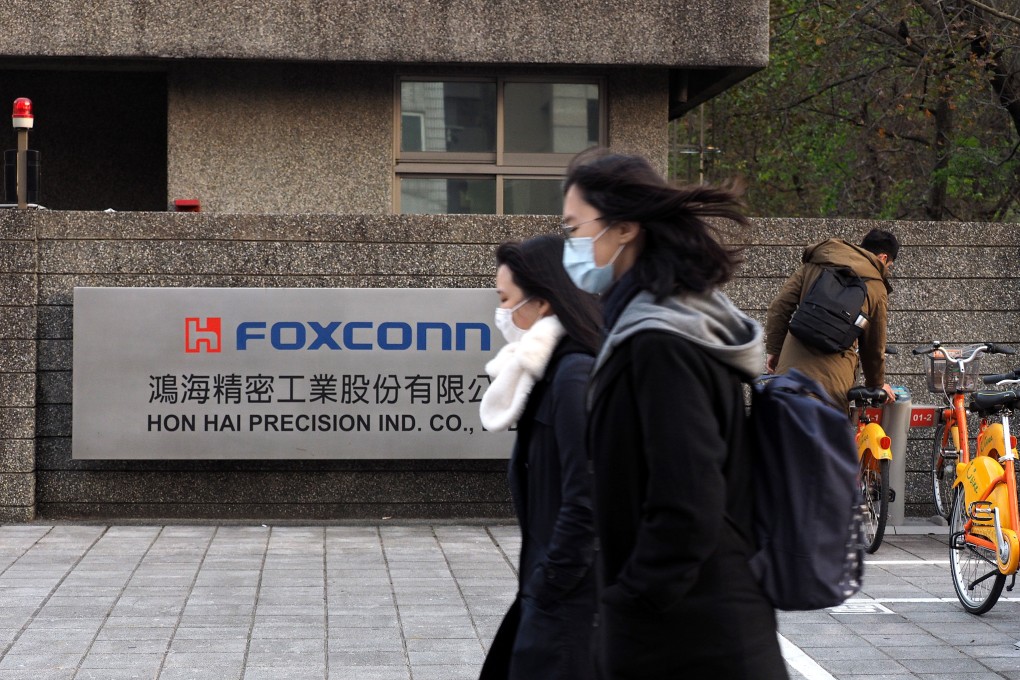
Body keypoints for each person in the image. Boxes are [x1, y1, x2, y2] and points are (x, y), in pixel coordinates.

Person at [560, 149, 788, 679]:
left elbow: (687, 501)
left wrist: (631, 602)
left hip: (692, 637)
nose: (567, 242)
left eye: (574, 226)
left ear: (623, 229)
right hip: (693, 620)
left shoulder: (659, 341)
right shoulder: (668, 320)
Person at [478, 235, 601, 680]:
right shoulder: (550, 371)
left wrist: (550, 583)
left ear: (543, 302)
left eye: (506, 299)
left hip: (570, 600)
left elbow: (587, 495)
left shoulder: (574, 375)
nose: (501, 313)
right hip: (551, 590)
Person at [765, 229, 899, 412]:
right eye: (889, 266)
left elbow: (779, 308)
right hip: (831, 387)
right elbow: (873, 345)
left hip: (789, 376)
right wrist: (876, 384)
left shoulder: (815, 264)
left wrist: (774, 350)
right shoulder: (876, 286)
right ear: (883, 258)